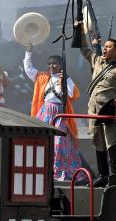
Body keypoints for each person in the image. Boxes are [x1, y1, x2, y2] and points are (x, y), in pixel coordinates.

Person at [80, 22, 116, 187]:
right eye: (104, 46)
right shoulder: (96, 61)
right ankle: (103, 175)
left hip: (108, 109)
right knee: (97, 141)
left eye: (109, 47)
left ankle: (113, 175)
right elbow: (83, 49)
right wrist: (80, 30)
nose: (105, 49)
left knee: (111, 141)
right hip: (93, 109)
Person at [24, 48, 83, 181]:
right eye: (50, 63)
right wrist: (28, 52)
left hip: (60, 114)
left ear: (61, 65)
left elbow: (71, 94)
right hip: (44, 112)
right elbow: (28, 68)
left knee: (59, 142)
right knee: (40, 140)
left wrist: (64, 81)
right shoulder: (43, 77)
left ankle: (58, 171)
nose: (52, 66)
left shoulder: (66, 79)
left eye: (55, 63)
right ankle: (42, 169)